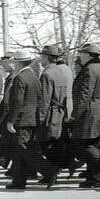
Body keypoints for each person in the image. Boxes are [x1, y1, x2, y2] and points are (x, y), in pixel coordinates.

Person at [2, 51, 58, 189]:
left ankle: (49, 170)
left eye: (15, 61)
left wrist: (11, 120)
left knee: (24, 148)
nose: (13, 64)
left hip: (22, 119)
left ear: (19, 62)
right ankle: (19, 180)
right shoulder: (33, 76)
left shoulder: (20, 78)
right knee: (20, 150)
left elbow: (18, 101)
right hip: (32, 118)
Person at [71, 42, 100, 188]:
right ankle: (94, 176)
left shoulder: (89, 69)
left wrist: (76, 114)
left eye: (82, 54)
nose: (80, 56)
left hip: (90, 111)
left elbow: (85, 94)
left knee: (85, 144)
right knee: (92, 144)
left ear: (88, 55)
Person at [36, 43, 73, 172]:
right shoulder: (60, 71)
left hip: (51, 113)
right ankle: (65, 165)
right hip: (61, 111)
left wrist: (40, 118)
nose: (41, 60)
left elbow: (44, 99)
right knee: (56, 141)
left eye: (42, 57)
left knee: (46, 143)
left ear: (46, 57)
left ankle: (56, 169)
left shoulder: (47, 74)